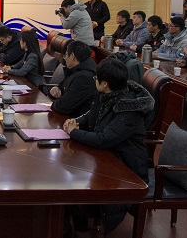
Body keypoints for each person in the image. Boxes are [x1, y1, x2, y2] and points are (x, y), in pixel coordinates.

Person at [63, 58, 154, 235]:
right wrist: (76, 121)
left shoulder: (129, 108)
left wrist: (74, 133)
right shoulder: (107, 95)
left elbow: (104, 139)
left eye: (96, 78)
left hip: (126, 169)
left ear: (105, 83)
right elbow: (91, 115)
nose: (94, 80)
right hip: (107, 158)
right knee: (69, 179)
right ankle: (75, 227)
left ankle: (77, 228)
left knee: (72, 189)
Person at [49, 40, 98, 117]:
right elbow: (62, 86)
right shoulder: (75, 70)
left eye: (65, 55)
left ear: (72, 56)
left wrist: (55, 101)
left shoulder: (84, 78)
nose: (65, 59)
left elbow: (63, 106)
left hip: (75, 120)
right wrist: (55, 89)